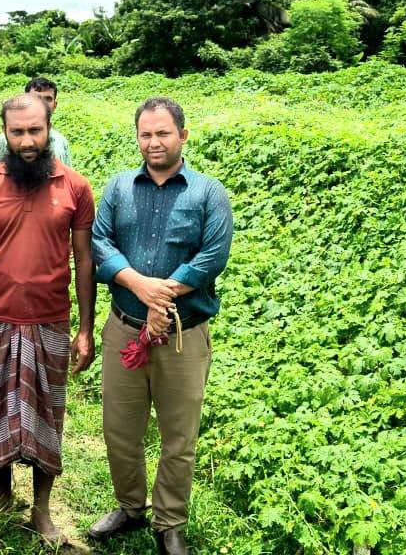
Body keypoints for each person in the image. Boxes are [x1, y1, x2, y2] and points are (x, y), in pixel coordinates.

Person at [87, 97, 233, 555]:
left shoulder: (208, 192)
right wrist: (138, 286)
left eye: (163, 133)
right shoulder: (117, 188)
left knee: (179, 435)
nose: (153, 142)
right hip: (125, 329)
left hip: (183, 337)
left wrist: (162, 294)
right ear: (137, 137)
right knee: (120, 428)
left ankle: (170, 521)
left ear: (183, 136)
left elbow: (213, 256)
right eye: (146, 134)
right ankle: (130, 508)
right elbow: (99, 241)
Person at [0, 93, 95, 545]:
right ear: (5, 134)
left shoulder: (75, 187)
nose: (28, 140)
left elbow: (85, 261)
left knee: (46, 417)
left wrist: (86, 329)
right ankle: (0, 499)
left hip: (50, 321)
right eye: (18, 132)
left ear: (49, 126)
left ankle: (42, 509)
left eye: (36, 130)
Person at [0, 76, 72, 166]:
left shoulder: (61, 141)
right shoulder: (3, 140)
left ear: (55, 105)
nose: (42, 104)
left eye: (48, 99)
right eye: (36, 98)